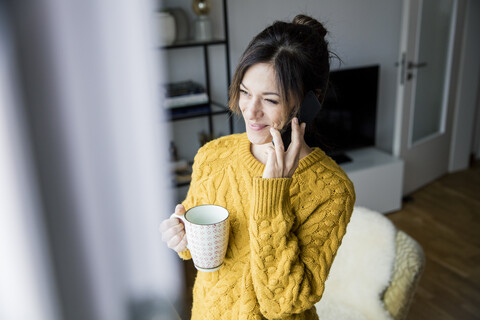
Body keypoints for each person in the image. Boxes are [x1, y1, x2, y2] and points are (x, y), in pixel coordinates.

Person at [160, 14, 355, 320]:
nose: (250, 111)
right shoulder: (213, 155)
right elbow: (200, 248)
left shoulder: (331, 190)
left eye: (270, 100)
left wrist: (271, 196)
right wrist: (180, 235)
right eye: (246, 91)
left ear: (308, 103)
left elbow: (283, 303)